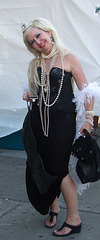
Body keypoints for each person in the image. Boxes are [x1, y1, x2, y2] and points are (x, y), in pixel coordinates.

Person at [22, 18, 94, 237]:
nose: (37, 42)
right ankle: (54, 207)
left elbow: (86, 91)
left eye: (38, 35)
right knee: (43, 165)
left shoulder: (69, 58)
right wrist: (29, 94)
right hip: (38, 121)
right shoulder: (35, 64)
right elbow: (40, 92)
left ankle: (74, 219)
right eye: (31, 42)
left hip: (62, 123)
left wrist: (89, 120)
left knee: (59, 170)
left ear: (48, 32)